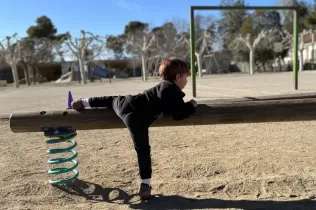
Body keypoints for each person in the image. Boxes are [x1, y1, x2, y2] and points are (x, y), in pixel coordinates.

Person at [71, 57, 198, 200]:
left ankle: (84, 102)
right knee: (143, 149)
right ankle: (145, 185)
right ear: (178, 77)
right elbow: (179, 114)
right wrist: (192, 104)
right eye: (186, 77)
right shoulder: (171, 89)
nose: (187, 81)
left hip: (127, 103)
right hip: (139, 117)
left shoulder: (163, 87)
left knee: (112, 100)